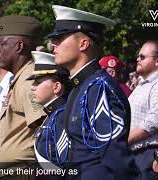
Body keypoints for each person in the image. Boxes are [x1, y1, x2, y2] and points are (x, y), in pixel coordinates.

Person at [47, 5, 139, 179]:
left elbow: (115, 158)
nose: (53, 45)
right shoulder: (80, 86)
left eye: (60, 38)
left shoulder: (98, 88)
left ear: (83, 43)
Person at [0, 15, 47, 178]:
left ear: (19, 46)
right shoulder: (20, 78)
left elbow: (42, 128)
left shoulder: (29, 81)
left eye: (2, 44)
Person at [128, 40, 158, 180]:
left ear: (157, 61)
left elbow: (155, 120)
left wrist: (124, 139)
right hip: (135, 154)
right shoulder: (143, 84)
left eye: (142, 57)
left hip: (147, 155)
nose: (137, 59)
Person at [27, 51, 70, 170]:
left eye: (38, 82)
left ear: (56, 87)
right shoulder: (53, 115)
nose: (32, 87)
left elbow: (64, 165)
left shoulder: (62, 116)